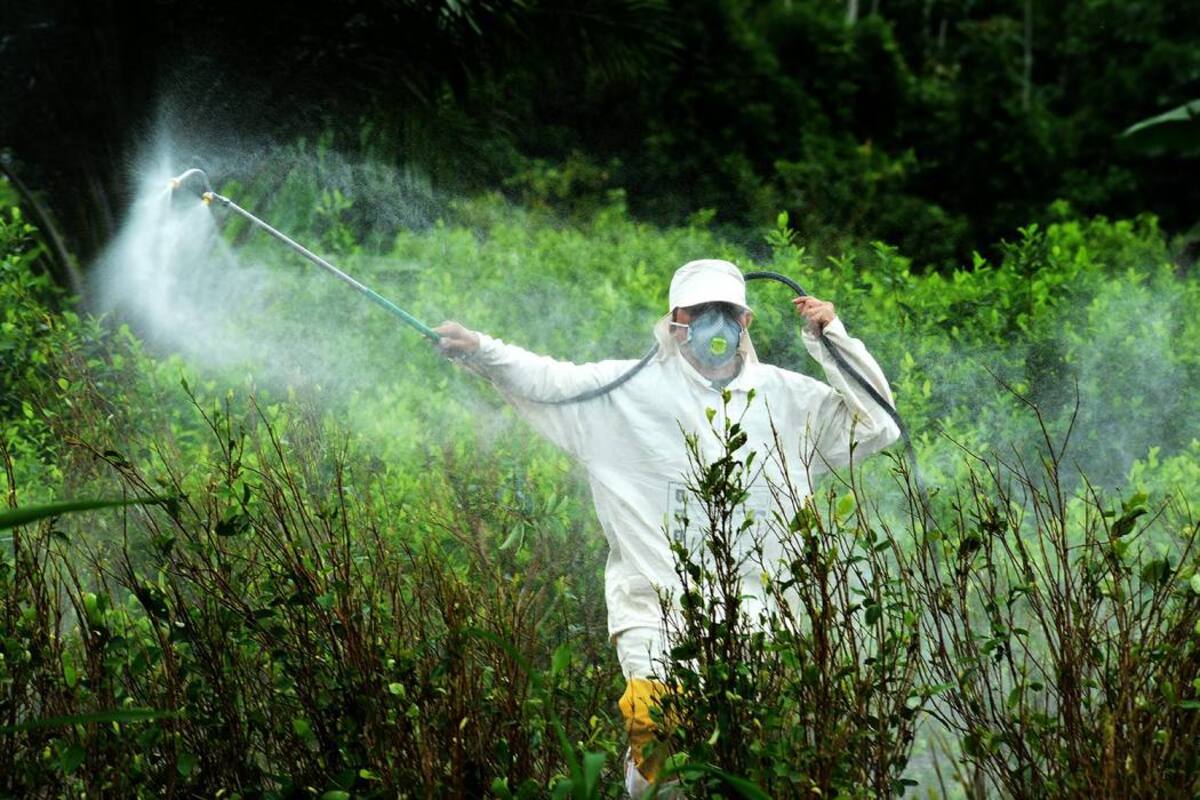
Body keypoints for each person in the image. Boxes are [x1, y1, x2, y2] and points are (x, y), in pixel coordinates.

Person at [434, 258, 900, 796]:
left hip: (763, 617)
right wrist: (480, 350)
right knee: (661, 746)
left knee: (752, 762)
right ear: (675, 321)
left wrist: (831, 340)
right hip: (652, 610)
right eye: (699, 312)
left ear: (745, 322)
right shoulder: (624, 392)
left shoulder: (789, 398)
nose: (713, 324)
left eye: (725, 311)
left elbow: (878, 425)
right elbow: (547, 380)